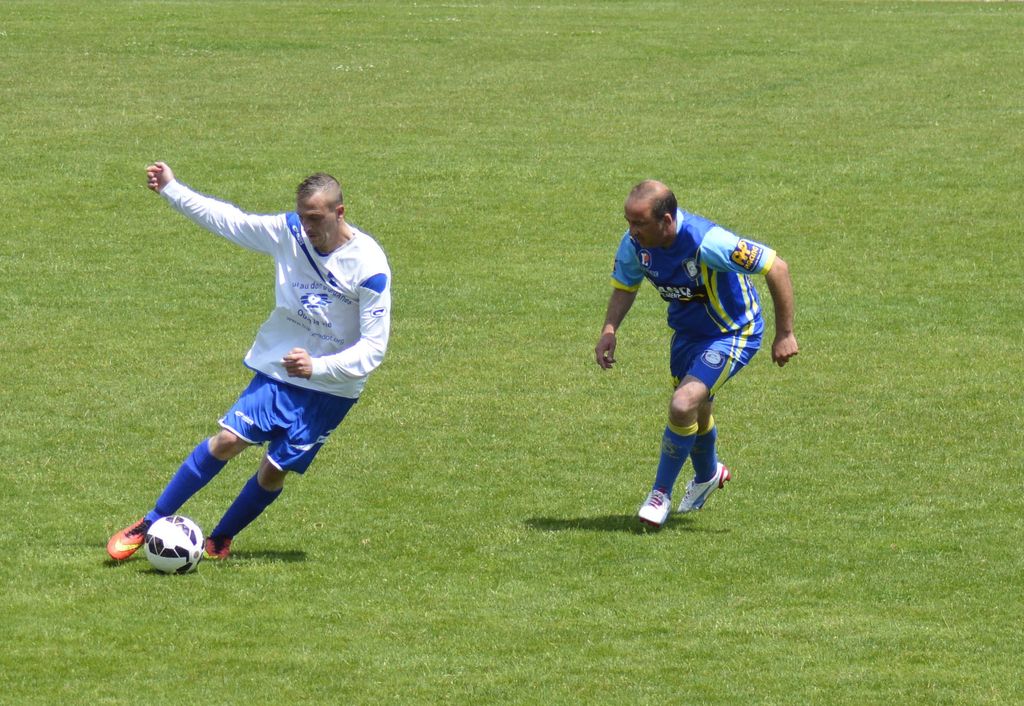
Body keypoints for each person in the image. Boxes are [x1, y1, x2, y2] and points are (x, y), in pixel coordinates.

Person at [107, 162, 391, 560]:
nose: (307, 226)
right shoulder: (289, 232)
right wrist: (171, 188)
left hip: (333, 387)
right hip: (280, 372)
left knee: (274, 470)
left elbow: (375, 347)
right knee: (228, 440)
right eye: (302, 216)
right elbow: (230, 221)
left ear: (339, 212)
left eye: (315, 218)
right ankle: (151, 521)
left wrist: (318, 367)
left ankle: (220, 538)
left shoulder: (369, 265)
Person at [595, 180, 798, 528]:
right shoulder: (636, 244)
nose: (632, 230)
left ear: (667, 220)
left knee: (682, 403)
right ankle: (708, 475)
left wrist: (785, 333)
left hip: (732, 332)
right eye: (628, 221)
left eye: (640, 223)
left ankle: (659, 494)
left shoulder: (708, 242)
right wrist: (609, 330)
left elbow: (777, 267)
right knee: (696, 412)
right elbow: (626, 285)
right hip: (687, 336)